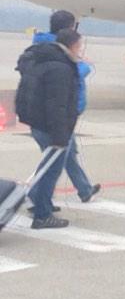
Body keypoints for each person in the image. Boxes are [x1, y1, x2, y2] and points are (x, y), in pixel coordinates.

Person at [17, 10, 100, 210]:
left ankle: (82, 189)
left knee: (64, 156)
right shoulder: (58, 55)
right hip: (55, 119)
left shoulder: (43, 48)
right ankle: (39, 203)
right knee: (55, 160)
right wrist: (83, 65)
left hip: (56, 117)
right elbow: (57, 97)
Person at [15, 28, 83, 229]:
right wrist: (60, 136)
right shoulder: (60, 68)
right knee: (51, 170)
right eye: (79, 46)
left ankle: (38, 200)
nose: (80, 50)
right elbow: (57, 105)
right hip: (50, 126)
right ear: (72, 45)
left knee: (47, 165)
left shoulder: (44, 60)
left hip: (38, 122)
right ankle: (42, 214)